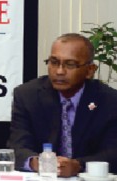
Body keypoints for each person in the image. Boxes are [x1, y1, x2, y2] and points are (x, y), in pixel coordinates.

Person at [7, 33, 117, 177]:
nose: (59, 71)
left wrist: (78, 165)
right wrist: (36, 162)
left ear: (90, 70)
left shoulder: (109, 101)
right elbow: (17, 146)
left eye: (70, 64)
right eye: (53, 62)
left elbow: (113, 152)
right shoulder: (27, 95)